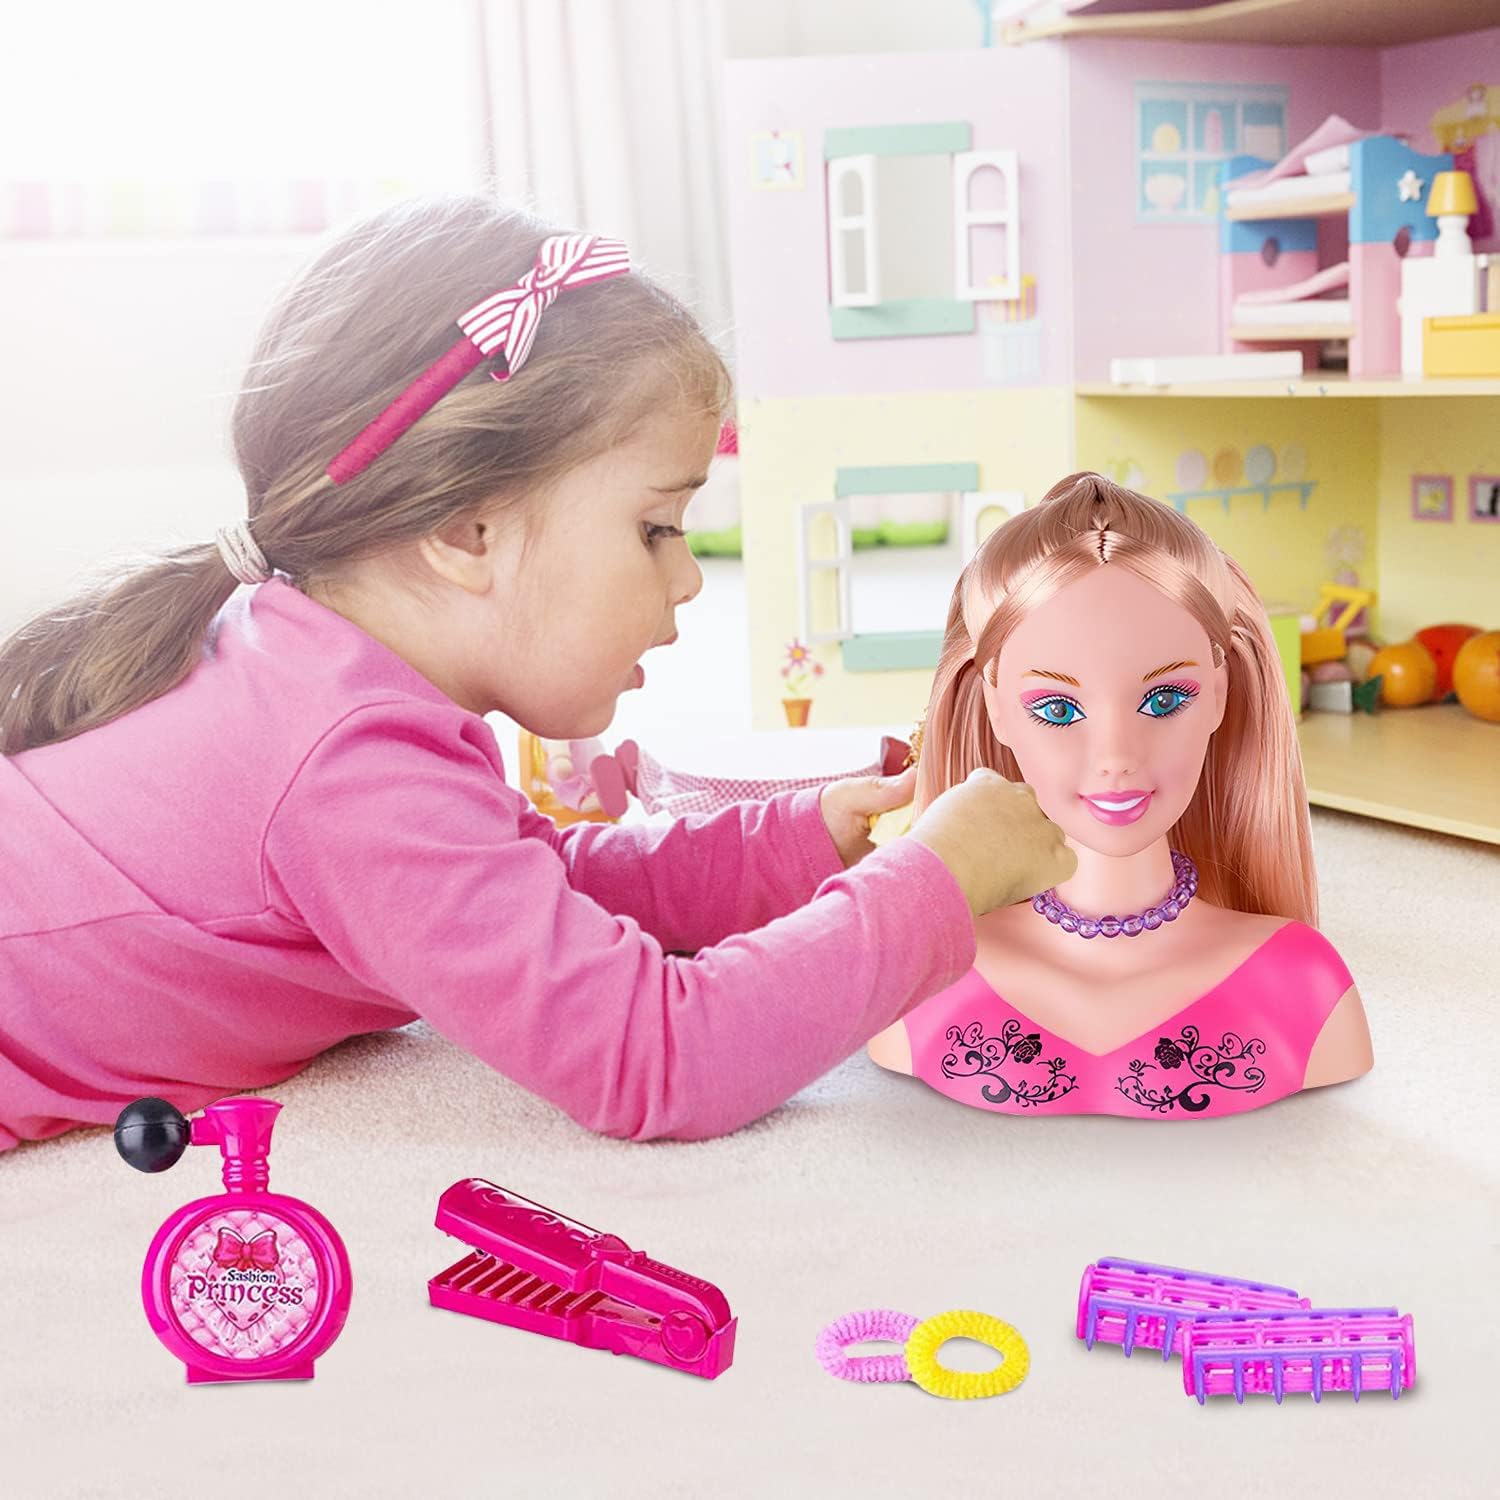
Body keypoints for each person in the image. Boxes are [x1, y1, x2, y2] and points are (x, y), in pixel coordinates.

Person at [0, 194, 1074, 1152]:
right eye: (656, 527)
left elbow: (529, 885)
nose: (690, 579)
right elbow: (660, 1058)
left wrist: (793, 842)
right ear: (466, 531)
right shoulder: (346, 765)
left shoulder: (322, 672)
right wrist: (934, 883)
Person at [868, 472, 1372, 1117]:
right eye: (1057, 708)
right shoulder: (925, 980)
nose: (1115, 757)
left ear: (1219, 693)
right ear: (994, 706)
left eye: (1163, 700)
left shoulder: (1300, 979)